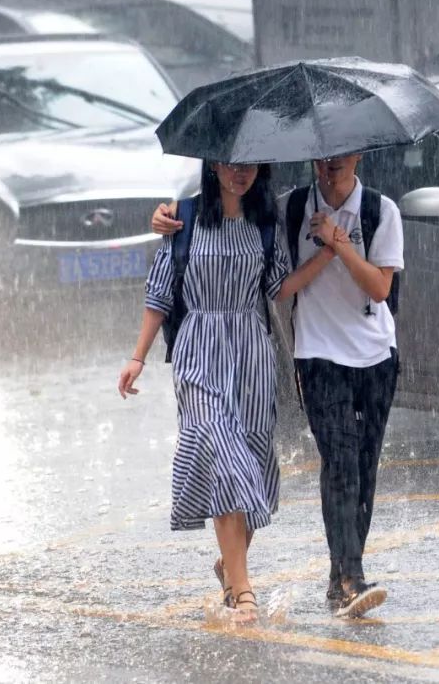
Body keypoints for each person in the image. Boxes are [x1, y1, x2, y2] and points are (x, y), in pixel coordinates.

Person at [151, 155, 404, 619]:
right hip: (315, 355)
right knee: (339, 460)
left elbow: (380, 289)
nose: (331, 166)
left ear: (359, 157)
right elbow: (274, 284)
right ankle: (347, 580)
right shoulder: (288, 210)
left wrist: (338, 246)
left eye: (341, 158)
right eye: (324, 159)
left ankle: (332, 575)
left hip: (373, 356)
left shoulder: (379, 210)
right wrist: (169, 213)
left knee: (363, 469)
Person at [118, 161, 336, 622]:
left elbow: (278, 288)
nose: (240, 174)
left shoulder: (264, 223)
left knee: (253, 461)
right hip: (198, 347)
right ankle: (244, 592)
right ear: (213, 165)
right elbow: (159, 293)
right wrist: (137, 356)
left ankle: (228, 568)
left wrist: (329, 254)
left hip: (252, 352)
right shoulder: (185, 217)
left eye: (249, 166)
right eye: (230, 165)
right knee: (222, 453)